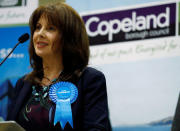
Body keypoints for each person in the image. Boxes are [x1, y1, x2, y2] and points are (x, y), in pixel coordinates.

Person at [7, 2, 111, 131]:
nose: (40, 33)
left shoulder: (89, 80)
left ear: (68, 37)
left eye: (50, 28)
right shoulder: (23, 84)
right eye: (38, 27)